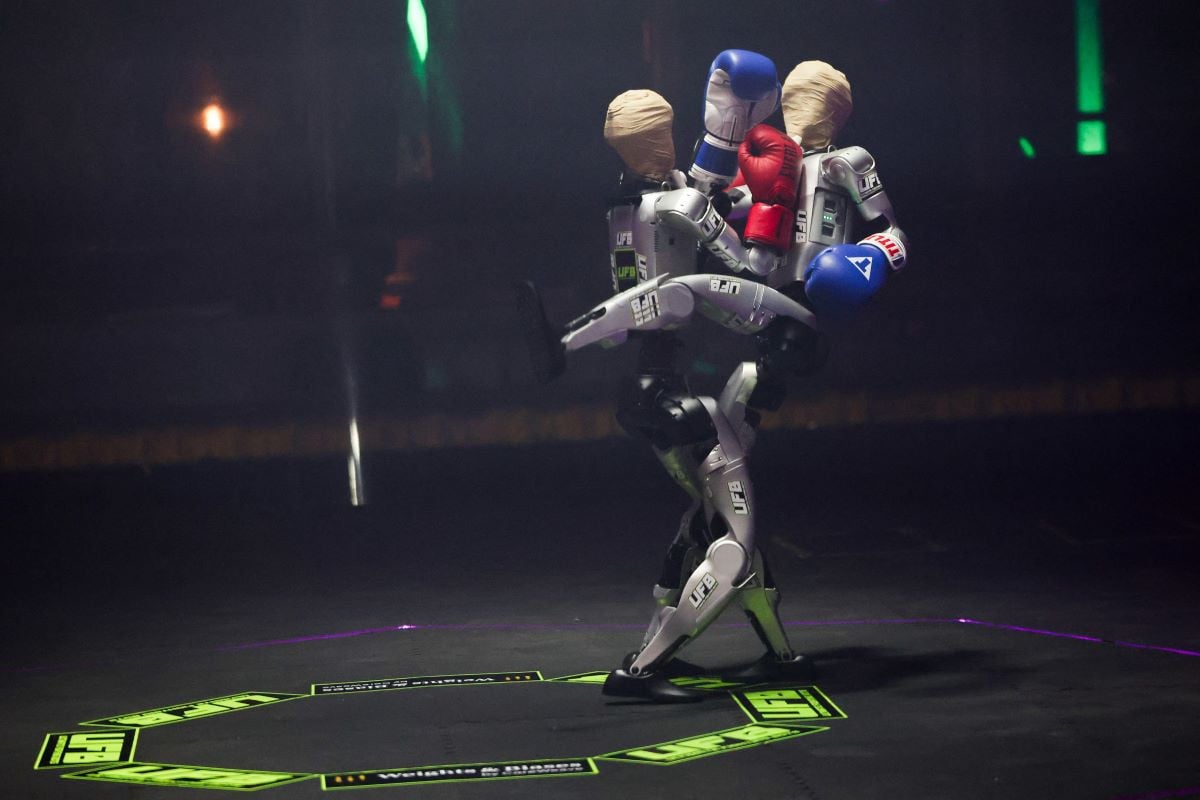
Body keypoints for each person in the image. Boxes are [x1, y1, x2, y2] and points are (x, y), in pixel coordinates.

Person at [518, 54, 908, 702]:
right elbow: (711, 269)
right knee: (735, 529)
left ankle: (779, 652)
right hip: (680, 380)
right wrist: (565, 340)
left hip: (679, 375)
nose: (793, 108)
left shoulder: (629, 200)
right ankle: (643, 668)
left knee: (713, 509)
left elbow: (884, 229)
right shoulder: (680, 202)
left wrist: (868, 252)